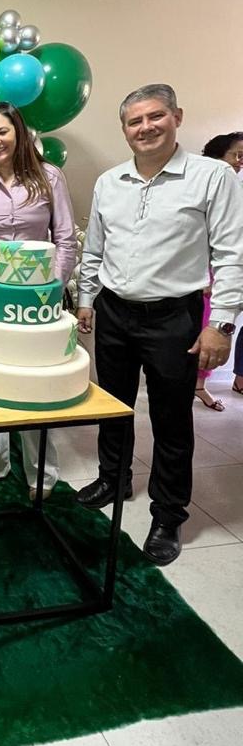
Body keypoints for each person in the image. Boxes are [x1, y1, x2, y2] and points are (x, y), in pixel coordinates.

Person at [76, 84, 243, 566]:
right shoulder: (110, 182)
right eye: (134, 121)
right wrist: (86, 299)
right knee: (113, 405)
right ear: (124, 129)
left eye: (155, 117)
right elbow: (95, 250)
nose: (145, 128)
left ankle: (168, 514)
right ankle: (114, 478)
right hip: (114, 312)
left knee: (171, 420)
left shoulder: (212, 176)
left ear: (177, 117)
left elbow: (232, 254)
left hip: (175, 317)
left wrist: (221, 325)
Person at [0, 102, 77, 498]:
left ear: (19, 132)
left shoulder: (49, 177)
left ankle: (42, 472)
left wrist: (52, 290)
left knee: (33, 377)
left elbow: (65, 238)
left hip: (36, 287)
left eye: (2, 131)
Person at [193, 133, 243, 410]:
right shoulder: (202, 186)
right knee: (203, 330)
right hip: (205, 273)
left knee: (215, 330)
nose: (239, 162)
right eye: (236, 155)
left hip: (225, 271)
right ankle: (197, 385)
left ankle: (199, 384)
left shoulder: (235, 186)